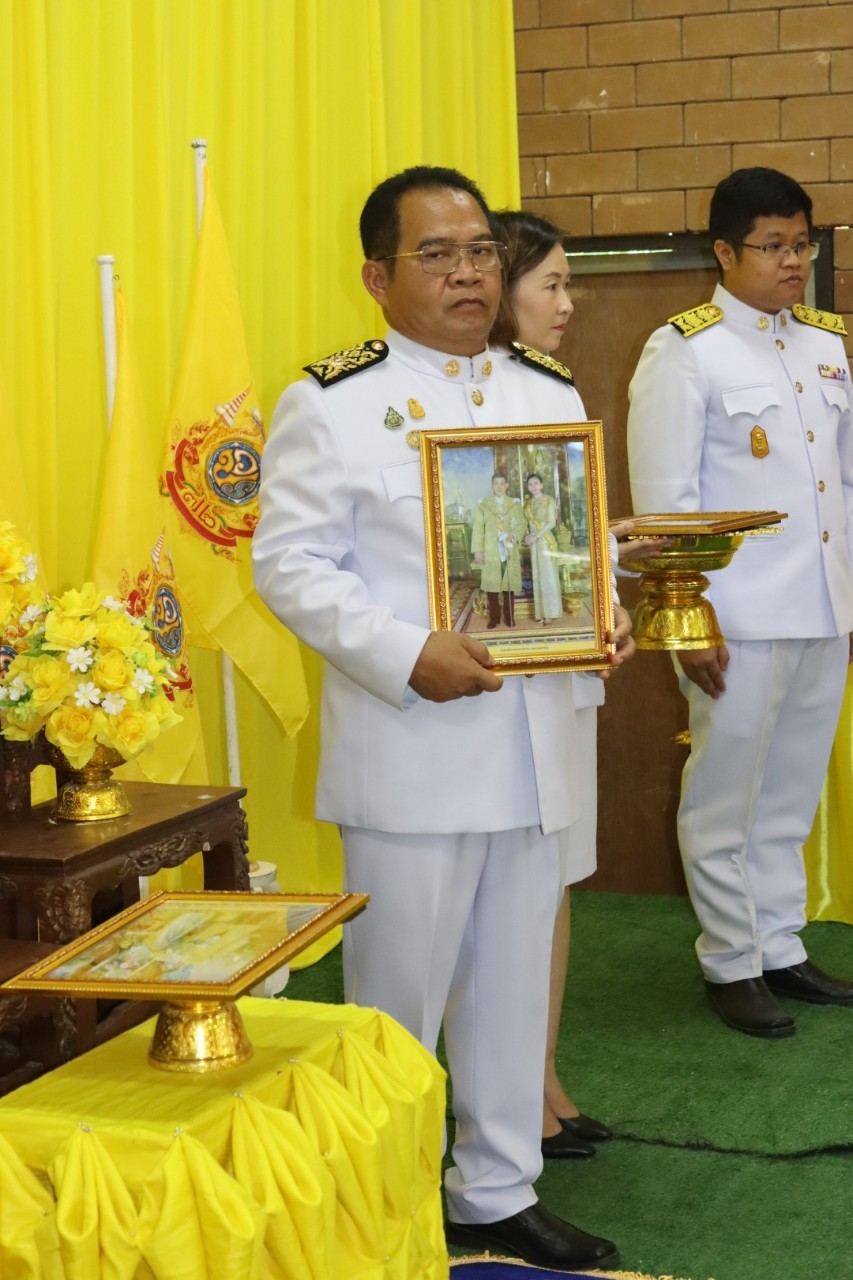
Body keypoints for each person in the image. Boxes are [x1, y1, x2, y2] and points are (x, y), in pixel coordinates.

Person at [253, 167, 632, 1271]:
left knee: (514, 983)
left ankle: (499, 1189)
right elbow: (290, 566)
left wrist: (600, 612)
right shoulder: (331, 402)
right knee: (397, 999)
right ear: (378, 274)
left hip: (532, 738)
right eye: (438, 253)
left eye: (480, 250)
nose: (469, 272)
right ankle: (385, 1195)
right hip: (412, 749)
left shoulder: (545, 391)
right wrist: (403, 650)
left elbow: (574, 540)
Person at [627, 167, 853, 1037]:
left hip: (822, 607)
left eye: (802, 244)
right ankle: (728, 959)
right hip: (738, 614)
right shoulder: (685, 349)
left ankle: (778, 943)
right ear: (723, 251)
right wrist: (689, 616)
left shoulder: (827, 346)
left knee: (789, 789)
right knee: (725, 791)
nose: (792, 261)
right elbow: (664, 501)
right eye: (772, 247)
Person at [490, 208, 652, 1163]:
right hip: (489, 686)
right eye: (548, 283)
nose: (567, 300)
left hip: (561, 682)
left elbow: (560, 525)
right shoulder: (444, 398)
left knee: (551, 891)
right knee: (503, 899)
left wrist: (608, 585)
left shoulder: (548, 384)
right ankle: (500, 1097)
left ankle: (540, 1077)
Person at [471, 470, 526, 627]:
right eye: (496, 483)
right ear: (492, 486)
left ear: (507, 485)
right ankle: (494, 618)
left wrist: (513, 534)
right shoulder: (484, 505)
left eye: (502, 483)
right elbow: (477, 528)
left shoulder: (514, 504)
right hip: (491, 550)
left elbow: (521, 523)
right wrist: (478, 551)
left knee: (509, 586)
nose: (499, 486)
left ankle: (509, 618)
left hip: (509, 548)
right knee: (492, 587)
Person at [523, 472, 562, 624]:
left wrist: (536, 536)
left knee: (548, 577)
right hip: (533, 542)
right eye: (530, 484)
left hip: (545, 540)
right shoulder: (527, 504)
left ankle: (550, 613)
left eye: (536, 483)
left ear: (541, 485)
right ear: (527, 487)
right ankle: (541, 613)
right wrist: (527, 535)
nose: (533, 486)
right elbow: (525, 523)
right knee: (537, 576)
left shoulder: (549, 501)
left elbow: (551, 523)